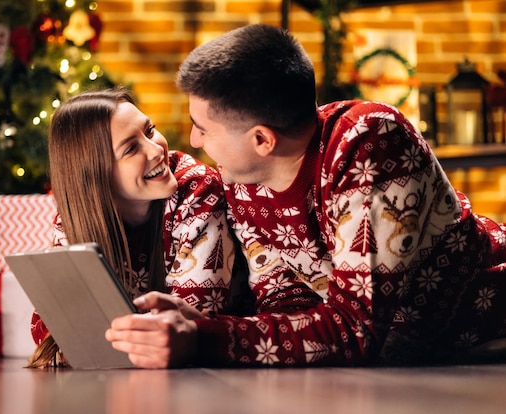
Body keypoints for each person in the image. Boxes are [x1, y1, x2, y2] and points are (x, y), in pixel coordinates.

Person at [105, 24, 506, 368]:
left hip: (483, 336)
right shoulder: (243, 176)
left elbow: (358, 328)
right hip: (408, 370)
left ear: (262, 139)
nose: (192, 141)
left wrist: (203, 336)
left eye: (203, 129)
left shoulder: (368, 140)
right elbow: (286, 307)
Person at [28, 88, 237, 367]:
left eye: (149, 131)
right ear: (95, 175)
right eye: (130, 148)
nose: (156, 150)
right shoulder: (75, 219)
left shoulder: (198, 188)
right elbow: (54, 334)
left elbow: (189, 320)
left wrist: (105, 334)